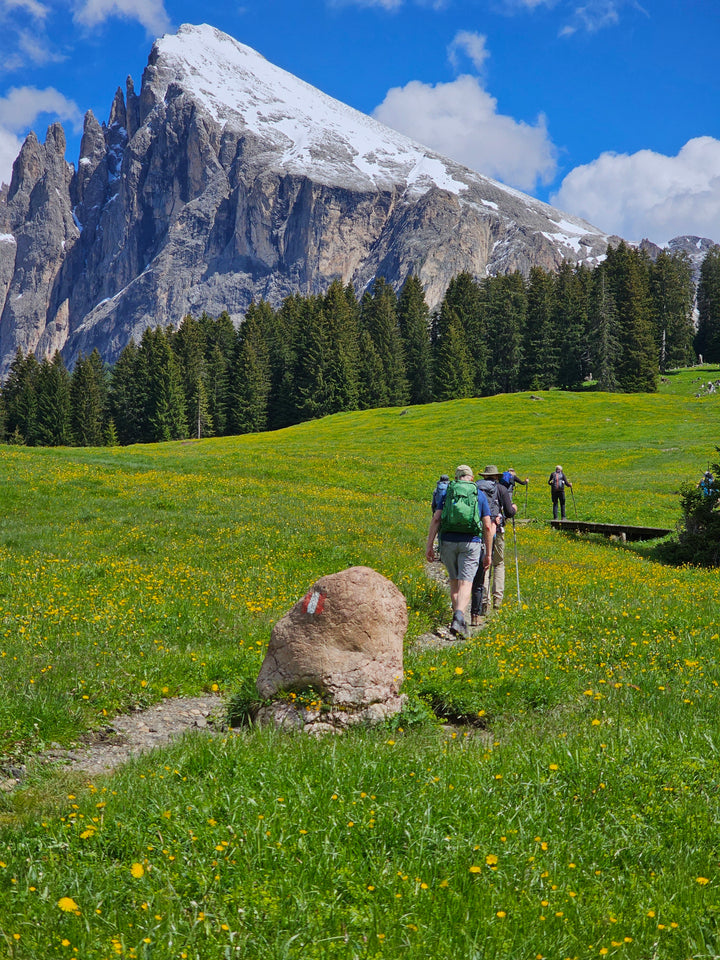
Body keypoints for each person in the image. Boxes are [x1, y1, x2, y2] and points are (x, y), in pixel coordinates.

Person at [426, 464, 493, 638]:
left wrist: (429, 545)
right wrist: (488, 554)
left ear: (456, 478)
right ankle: (459, 616)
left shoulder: (448, 492)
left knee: (454, 582)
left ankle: (458, 620)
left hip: (447, 541)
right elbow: (487, 526)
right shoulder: (479, 494)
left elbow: (436, 518)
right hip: (471, 543)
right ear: (471, 478)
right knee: (466, 583)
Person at [472, 465, 517, 623]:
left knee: (483, 565)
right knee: (498, 564)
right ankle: (497, 601)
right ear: (496, 476)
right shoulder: (500, 489)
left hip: (480, 531)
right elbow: (510, 512)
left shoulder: (476, 488)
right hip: (496, 530)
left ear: (484, 476)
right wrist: (514, 509)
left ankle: (484, 601)